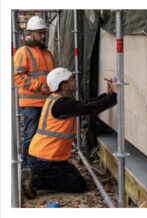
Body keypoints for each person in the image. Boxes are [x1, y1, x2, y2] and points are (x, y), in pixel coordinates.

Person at [22, 68, 118, 198]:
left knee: (74, 179)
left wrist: (108, 95)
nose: (75, 80)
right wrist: (116, 95)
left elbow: (85, 104)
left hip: (41, 156)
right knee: (78, 185)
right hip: (46, 160)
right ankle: (36, 181)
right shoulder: (61, 104)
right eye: (72, 79)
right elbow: (92, 108)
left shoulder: (57, 100)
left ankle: (38, 175)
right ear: (64, 86)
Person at [13, 16, 55, 167]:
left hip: (46, 102)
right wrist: (38, 86)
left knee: (44, 138)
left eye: (44, 32)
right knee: (31, 136)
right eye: (39, 33)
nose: (43, 36)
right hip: (31, 104)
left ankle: (39, 168)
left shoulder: (47, 53)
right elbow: (17, 76)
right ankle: (26, 169)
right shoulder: (23, 52)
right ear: (30, 34)